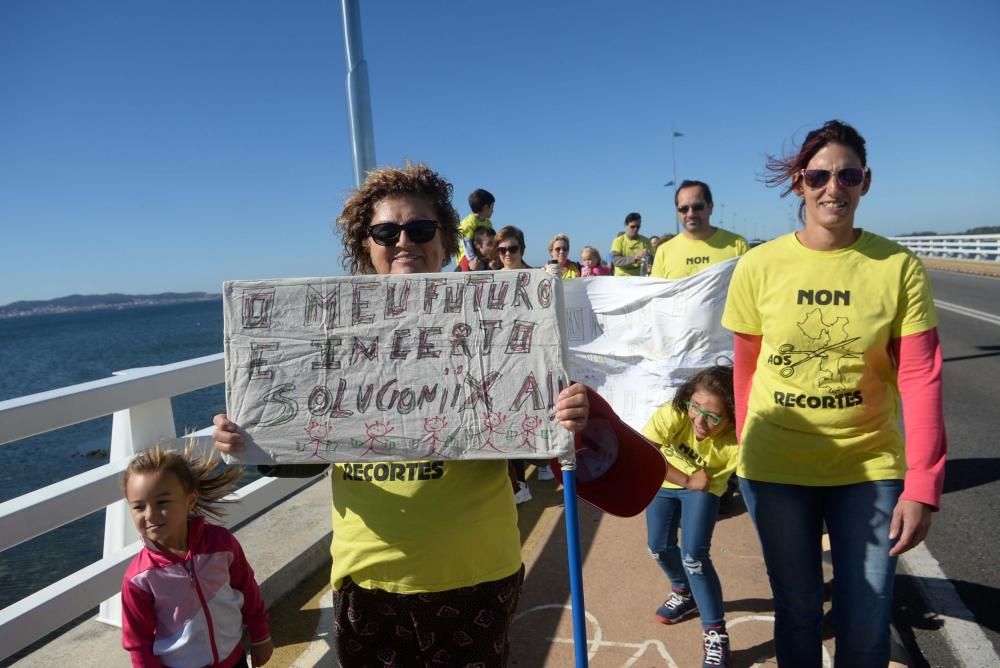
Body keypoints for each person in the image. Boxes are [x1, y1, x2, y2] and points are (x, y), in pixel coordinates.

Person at [213, 164, 590, 666]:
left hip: (476, 572)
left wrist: (568, 412)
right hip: (370, 577)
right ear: (364, 245)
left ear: (445, 238)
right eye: (386, 232)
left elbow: (535, 432)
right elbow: (305, 455)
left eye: (420, 229)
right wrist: (254, 437)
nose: (404, 241)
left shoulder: (493, 316)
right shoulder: (333, 333)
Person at [722, 120, 947, 667]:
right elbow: (746, 371)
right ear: (799, 182)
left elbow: (920, 377)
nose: (833, 187)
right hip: (776, 469)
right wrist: (746, 454)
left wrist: (923, 484)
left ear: (865, 182)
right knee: (797, 609)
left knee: (867, 614)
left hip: (868, 468)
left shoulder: (898, 268)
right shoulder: (758, 266)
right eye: (819, 175)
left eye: (847, 175)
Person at [120, 445, 273, 668]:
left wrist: (261, 635)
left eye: (162, 502)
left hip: (234, 659)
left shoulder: (222, 544)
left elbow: (246, 588)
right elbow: (138, 643)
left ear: (190, 501)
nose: (150, 515)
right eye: (139, 507)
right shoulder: (138, 579)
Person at [641, 366, 738, 668]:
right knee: (657, 546)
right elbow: (647, 450)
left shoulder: (739, 438)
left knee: (694, 557)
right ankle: (684, 593)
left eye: (713, 417)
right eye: (696, 408)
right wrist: (685, 479)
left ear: (732, 417)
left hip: (706, 489)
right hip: (669, 479)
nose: (700, 421)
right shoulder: (676, 410)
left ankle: (715, 633)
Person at [651, 180, 749, 279]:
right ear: (677, 211)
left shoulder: (738, 245)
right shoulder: (664, 251)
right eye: (684, 209)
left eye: (697, 207)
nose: (690, 214)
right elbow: (657, 292)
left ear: (710, 207)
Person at [457, 187, 495, 266]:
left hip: (482, 257)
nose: (493, 210)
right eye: (492, 207)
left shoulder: (488, 223)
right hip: (466, 259)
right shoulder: (468, 223)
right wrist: (473, 261)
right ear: (485, 207)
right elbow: (466, 245)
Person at [609, 212, 653, 276]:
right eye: (632, 227)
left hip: (640, 278)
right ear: (625, 225)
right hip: (622, 279)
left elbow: (653, 260)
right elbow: (616, 261)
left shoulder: (646, 241)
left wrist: (649, 256)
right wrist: (635, 257)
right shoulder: (618, 241)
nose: (635, 229)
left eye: (638, 227)